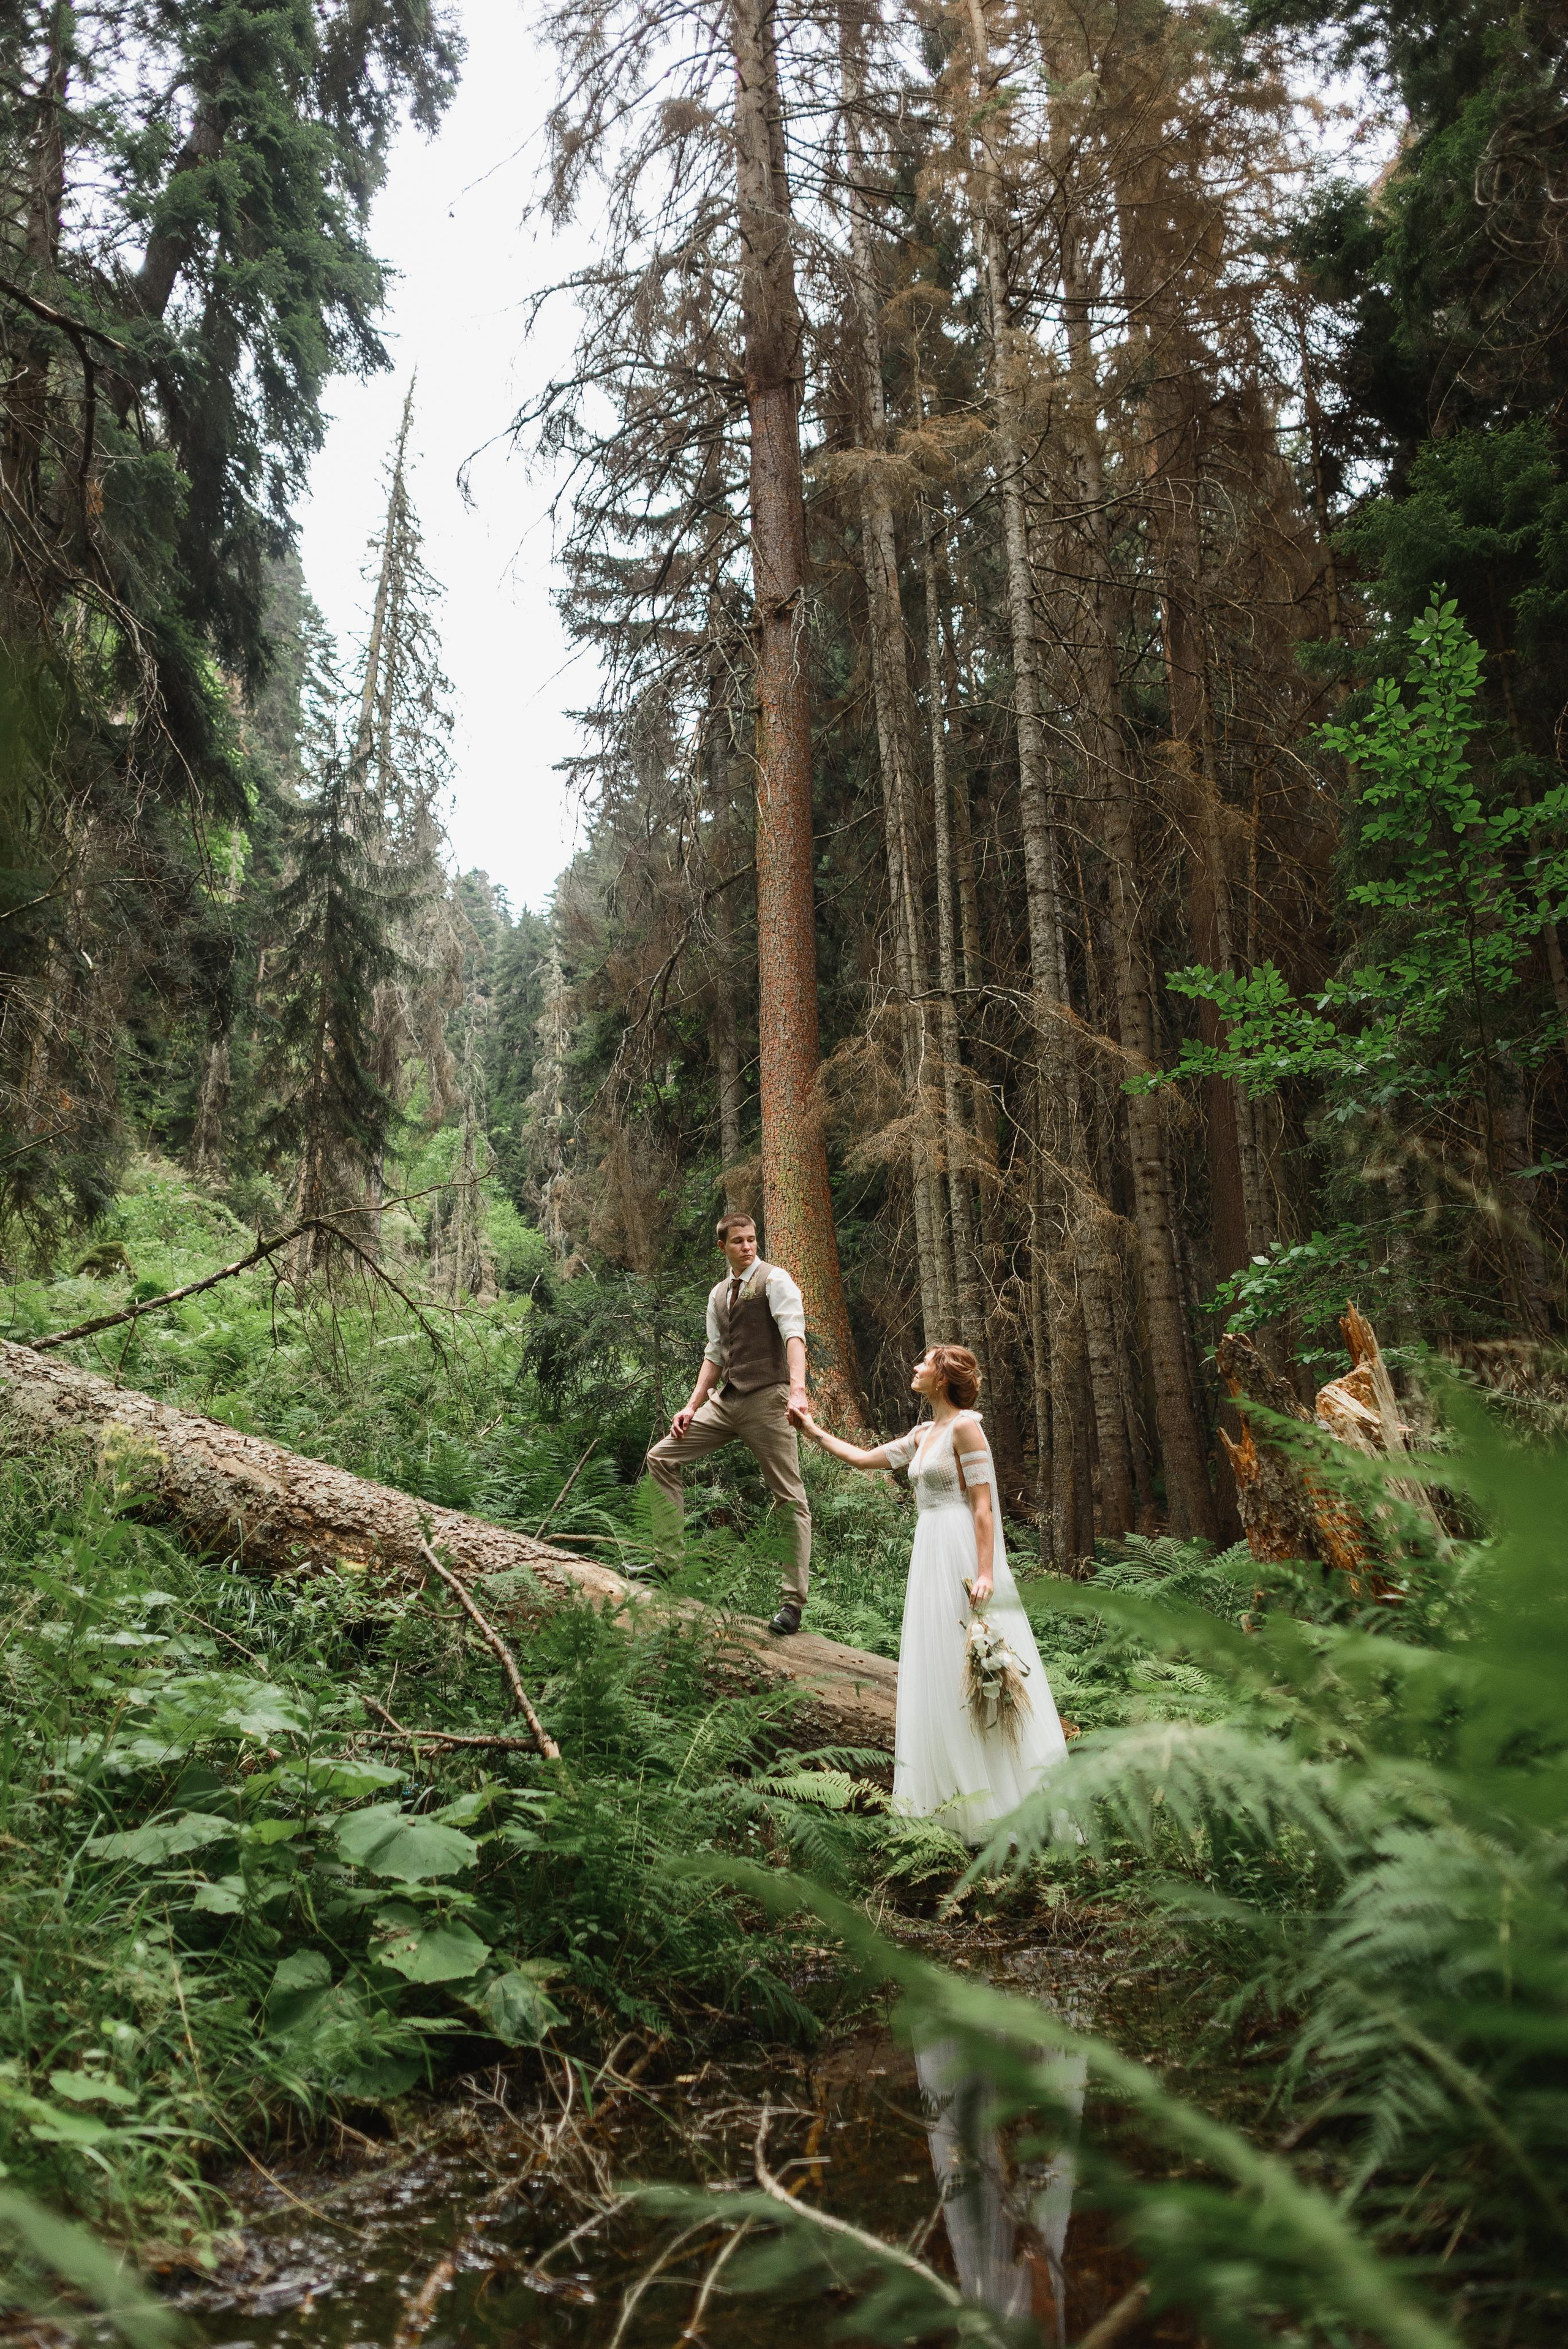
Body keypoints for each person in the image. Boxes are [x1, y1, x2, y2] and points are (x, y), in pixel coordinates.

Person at [792, 1344, 1068, 1844]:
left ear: (943, 1378)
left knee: (978, 1661)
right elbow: (863, 1460)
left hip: (961, 1547)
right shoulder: (924, 1434)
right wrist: (811, 1430)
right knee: (940, 1663)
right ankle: (948, 1803)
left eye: (925, 1363)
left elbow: (983, 1505)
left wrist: (985, 1572)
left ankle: (1006, 1800)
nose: (916, 1368)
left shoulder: (966, 1427)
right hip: (929, 1548)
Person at [643, 1209, 813, 1636]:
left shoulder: (776, 1280)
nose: (748, 1246)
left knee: (789, 1497)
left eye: (752, 1239)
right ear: (723, 1246)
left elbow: (794, 1334)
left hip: (768, 1400)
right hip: (726, 1401)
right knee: (661, 1457)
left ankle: (792, 1603)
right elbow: (715, 1355)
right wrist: (690, 1406)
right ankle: (667, 1564)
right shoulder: (719, 1294)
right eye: (739, 1241)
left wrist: (797, 1390)